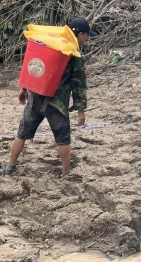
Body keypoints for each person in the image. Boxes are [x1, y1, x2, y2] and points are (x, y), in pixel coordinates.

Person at [6, 17, 96, 178]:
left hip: (35, 99)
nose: (87, 38)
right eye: (86, 35)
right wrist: (80, 109)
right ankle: (66, 172)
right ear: (80, 34)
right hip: (57, 104)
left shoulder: (49, 44)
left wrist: (24, 88)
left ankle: (10, 167)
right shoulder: (74, 55)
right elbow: (78, 85)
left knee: (21, 134)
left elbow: (35, 66)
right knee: (63, 139)